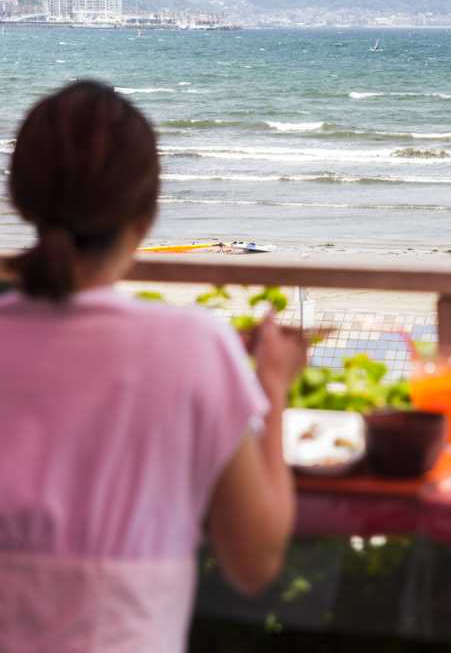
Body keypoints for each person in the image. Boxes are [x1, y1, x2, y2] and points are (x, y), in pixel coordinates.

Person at [0, 81, 306, 652]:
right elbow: (255, 561)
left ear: (23, 202)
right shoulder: (192, 345)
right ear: (143, 219)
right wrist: (272, 387)